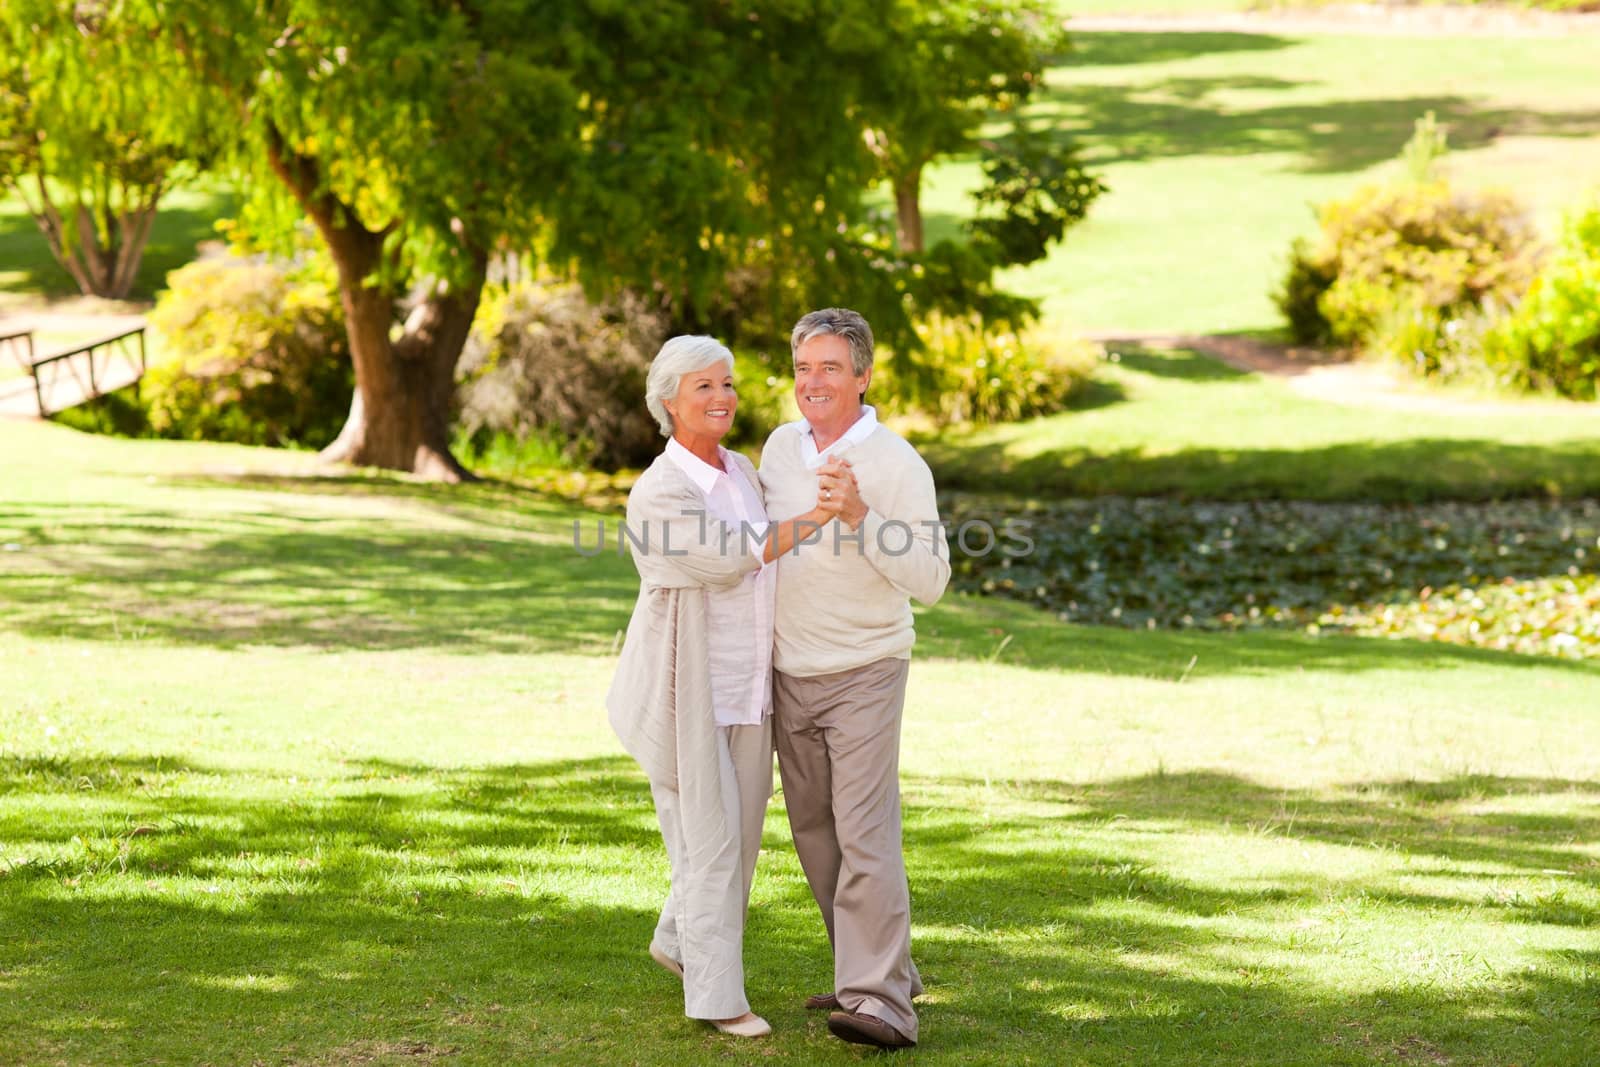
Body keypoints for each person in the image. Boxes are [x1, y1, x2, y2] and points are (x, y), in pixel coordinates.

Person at [605, 335, 828, 1038]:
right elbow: (730, 557)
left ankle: (677, 938)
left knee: (737, 838)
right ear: (669, 401)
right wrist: (819, 515)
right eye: (704, 386)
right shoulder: (659, 491)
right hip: (687, 690)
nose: (722, 398)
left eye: (727, 384)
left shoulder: (741, 471)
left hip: (748, 685)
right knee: (708, 845)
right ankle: (715, 995)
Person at [759, 308, 951, 1049]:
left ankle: (882, 1005)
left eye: (830, 368)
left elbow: (931, 579)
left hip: (867, 667)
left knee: (866, 832)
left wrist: (862, 514)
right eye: (804, 367)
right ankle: (873, 968)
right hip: (790, 668)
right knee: (814, 830)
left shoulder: (898, 463)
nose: (813, 382)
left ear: (863, 377)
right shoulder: (780, 449)